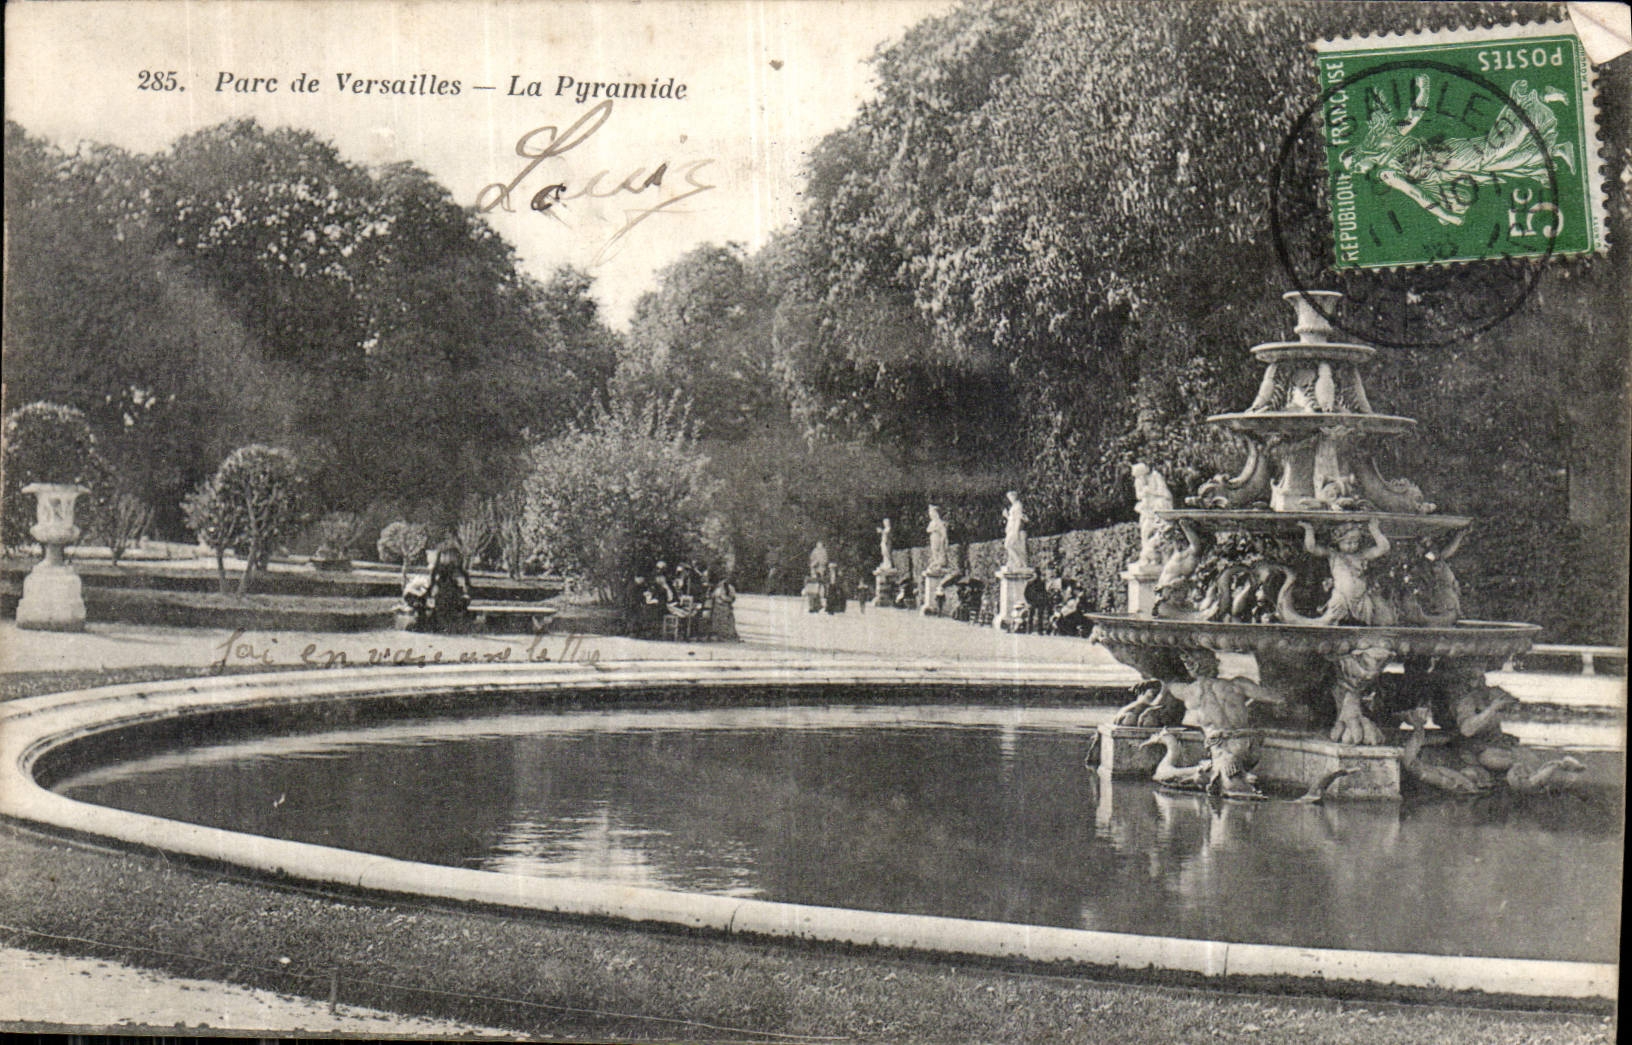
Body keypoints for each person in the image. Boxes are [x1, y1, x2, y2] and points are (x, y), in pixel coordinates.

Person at [424, 540, 473, 633]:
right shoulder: (439, 567)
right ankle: (442, 625)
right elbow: (433, 579)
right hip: (443, 589)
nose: (448, 557)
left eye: (451, 555)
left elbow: (465, 578)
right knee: (443, 603)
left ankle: (449, 626)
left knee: (452, 602)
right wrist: (431, 590)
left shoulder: (456, 567)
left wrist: (466, 589)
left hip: (451, 589)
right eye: (445, 555)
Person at [1002, 490, 1028, 571]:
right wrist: (1007, 516)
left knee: (1008, 545)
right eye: (1009, 497)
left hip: (1015, 529)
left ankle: (1018, 562)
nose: (1010, 499)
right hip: (1011, 529)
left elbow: (1018, 519)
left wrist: (1016, 531)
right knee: (1010, 545)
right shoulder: (1014, 506)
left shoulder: (1018, 505)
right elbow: (1012, 518)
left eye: (1011, 497)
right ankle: (1014, 562)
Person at [709, 572, 739, 641]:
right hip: (721, 606)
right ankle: (720, 634)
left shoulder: (727, 588)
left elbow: (716, 596)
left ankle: (723, 635)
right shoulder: (720, 588)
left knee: (723, 621)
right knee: (719, 621)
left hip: (723, 606)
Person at [926, 505, 950, 572]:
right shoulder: (932, 522)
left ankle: (938, 564)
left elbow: (943, 532)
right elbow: (927, 530)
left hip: (938, 538)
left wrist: (943, 539)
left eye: (931, 513)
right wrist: (934, 529)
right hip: (933, 538)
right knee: (934, 550)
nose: (930, 515)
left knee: (938, 550)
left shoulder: (939, 522)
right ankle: (935, 563)